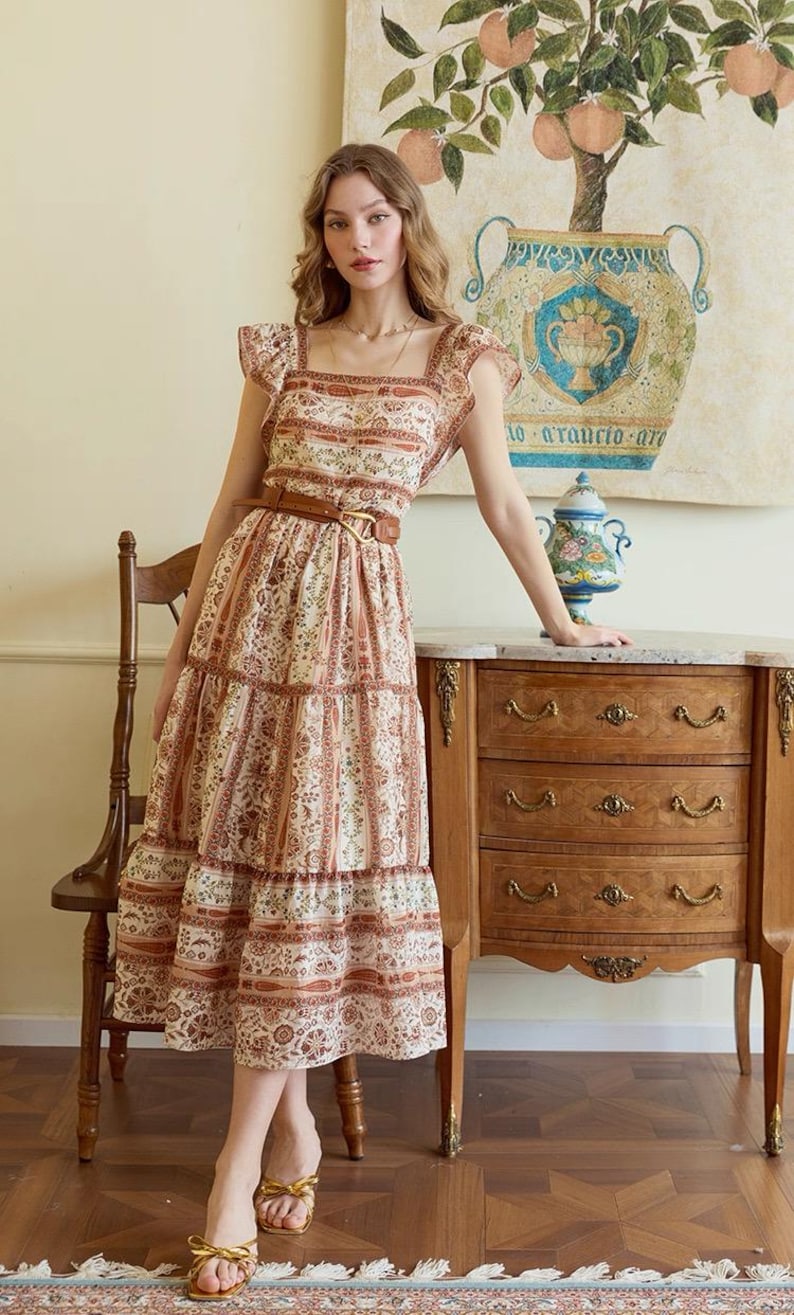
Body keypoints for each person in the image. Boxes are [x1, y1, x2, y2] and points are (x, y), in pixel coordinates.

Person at [113, 141, 632, 1302]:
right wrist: (185, 653)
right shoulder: (283, 352)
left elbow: (504, 502)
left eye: (376, 218)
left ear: (406, 224)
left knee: (305, 881)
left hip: (353, 646)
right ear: (322, 238)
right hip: (249, 634)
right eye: (337, 223)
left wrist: (559, 621)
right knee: (261, 881)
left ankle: (232, 1174)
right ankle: (289, 1124)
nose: (358, 241)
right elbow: (231, 500)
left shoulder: (462, 360)